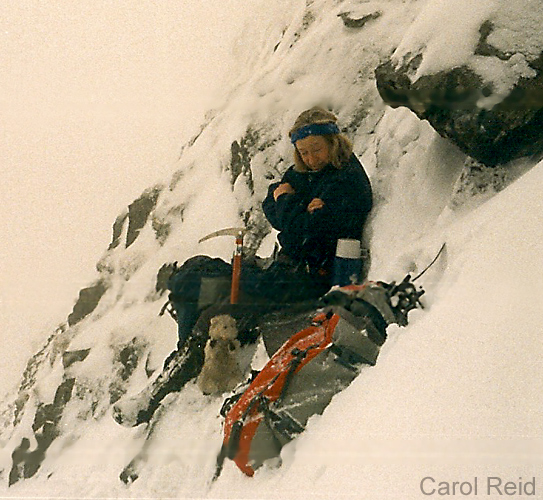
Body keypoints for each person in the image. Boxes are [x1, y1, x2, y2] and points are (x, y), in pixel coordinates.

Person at [113, 106, 373, 427]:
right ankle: (190, 353)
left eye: (316, 149)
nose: (311, 158)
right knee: (196, 270)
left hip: (305, 279)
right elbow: (274, 205)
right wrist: (290, 204)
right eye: (303, 152)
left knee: (218, 309)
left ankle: (155, 394)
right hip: (284, 270)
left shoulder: (346, 181)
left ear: (334, 142)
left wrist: (287, 202)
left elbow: (307, 228)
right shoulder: (311, 174)